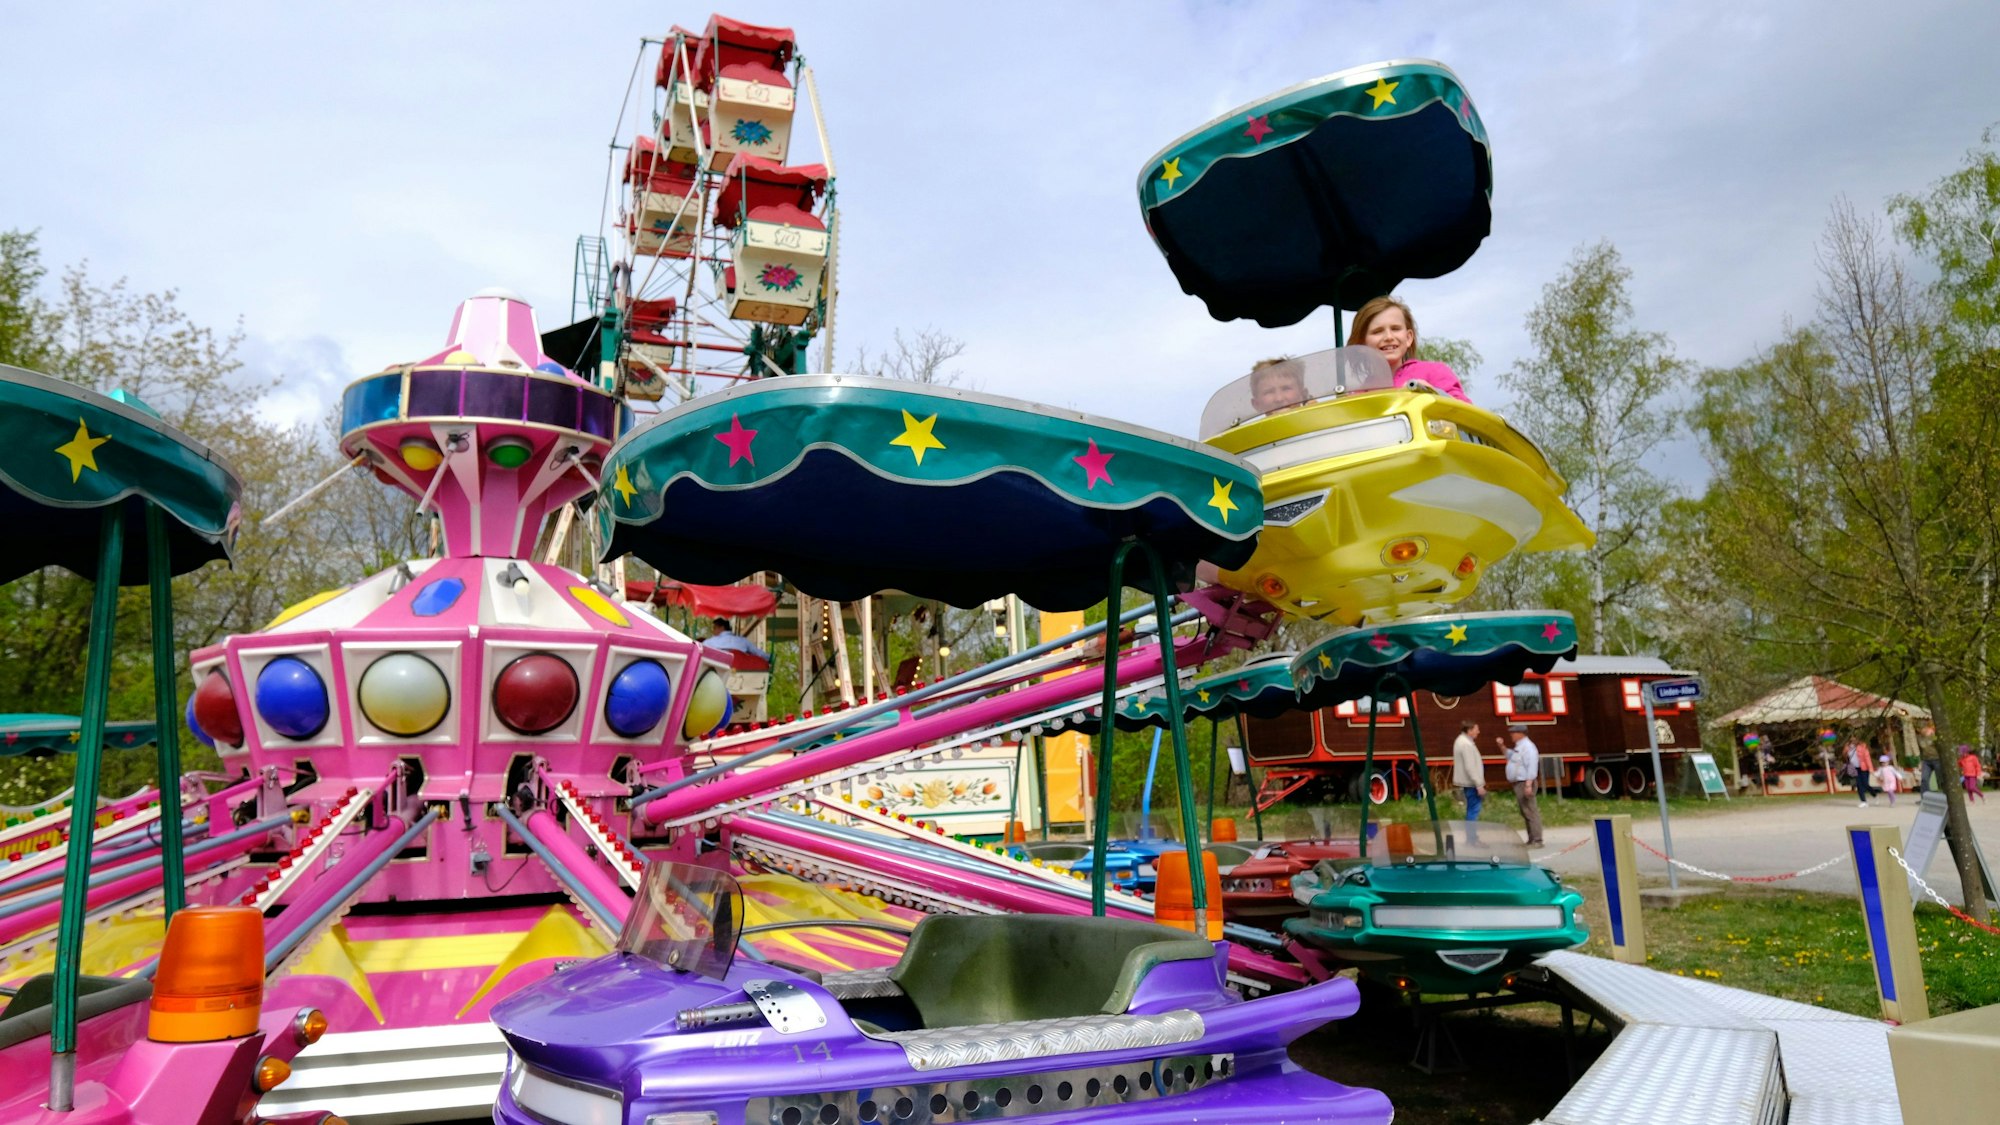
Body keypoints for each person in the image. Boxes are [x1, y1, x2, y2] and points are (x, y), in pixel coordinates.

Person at [1346, 295, 1473, 404]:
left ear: (1408, 338)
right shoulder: (1358, 394)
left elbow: (1465, 412)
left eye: (1395, 329)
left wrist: (1435, 394)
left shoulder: (1434, 372)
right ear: (1361, 344)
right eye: (1377, 332)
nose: (1389, 337)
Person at [1497, 722, 1544, 848]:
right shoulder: (1519, 747)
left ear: (1520, 734)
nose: (1511, 735)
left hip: (1525, 782)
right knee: (1525, 811)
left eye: (1513, 733)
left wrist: (1528, 784)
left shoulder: (1528, 747)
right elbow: (1509, 755)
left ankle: (1537, 840)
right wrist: (1501, 746)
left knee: (1530, 811)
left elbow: (1532, 767)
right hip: (1519, 783)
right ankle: (1531, 839)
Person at [1451, 721, 1485, 839]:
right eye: (1476, 729)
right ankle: (1472, 838)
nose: (1478, 732)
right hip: (1471, 783)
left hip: (1469, 783)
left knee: (1471, 809)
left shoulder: (1461, 741)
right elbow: (1470, 767)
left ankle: (1472, 837)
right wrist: (1479, 784)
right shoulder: (1466, 744)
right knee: (1473, 811)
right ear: (1469, 730)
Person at [705, 617, 770, 663]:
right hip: (742, 676)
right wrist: (770, 657)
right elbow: (760, 654)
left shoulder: (708, 643)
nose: (713, 631)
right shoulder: (743, 641)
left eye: (714, 628)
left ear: (722, 627)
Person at [1848, 740, 1875, 807]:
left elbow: (1867, 758)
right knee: (1859, 785)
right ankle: (1863, 801)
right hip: (1855, 769)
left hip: (1864, 768)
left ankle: (1874, 794)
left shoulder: (1862, 747)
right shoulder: (1848, 749)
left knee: (1865, 784)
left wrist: (1870, 768)